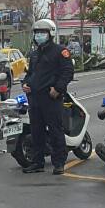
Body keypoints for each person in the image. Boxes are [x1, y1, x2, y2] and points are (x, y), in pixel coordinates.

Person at [21, 18, 74, 176]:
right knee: (36, 132)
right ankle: (38, 163)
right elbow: (31, 74)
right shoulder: (35, 54)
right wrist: (25, 83)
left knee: (55, 130)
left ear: (50, 34)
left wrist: (58, 89)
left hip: (51, 98)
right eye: (37, 33)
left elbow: (67, 72)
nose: (39, 36)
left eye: (42, 33)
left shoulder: (60, 51)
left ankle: (59, 163)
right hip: (34, 99)